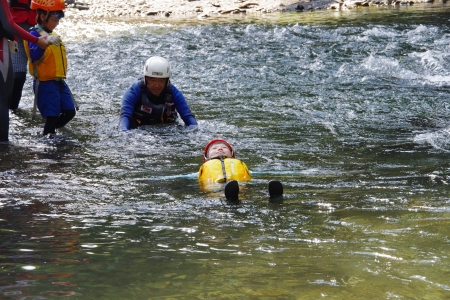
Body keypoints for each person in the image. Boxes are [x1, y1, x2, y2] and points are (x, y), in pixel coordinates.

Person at [24, 0, 77, 137]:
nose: (57, 23)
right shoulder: (34, 35)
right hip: (45, 83)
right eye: (54, 20)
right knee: (52, 117)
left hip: (58, 82)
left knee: (70, 111)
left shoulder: (51, 34)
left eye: (58, 20)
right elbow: (34, 55)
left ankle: (50, 131)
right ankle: (49, 141)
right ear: (43, 17)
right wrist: (45, 43)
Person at [0, 0, 49, 141]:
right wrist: (35, 40)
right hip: (5, 45)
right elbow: (8, 24)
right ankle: (4, 148)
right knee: (3, 98)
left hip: (22, 33)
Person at [119, 56, 198, 132]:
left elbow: (188, 117)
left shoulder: (173, 92)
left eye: (161, 81)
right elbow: (125, 116)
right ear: (146, 79)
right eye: (153, 80)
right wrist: (124, 134)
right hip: (139, 132)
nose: (157, 85)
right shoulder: (134, 90)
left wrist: (195, 130)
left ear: (167, 81)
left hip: (166, 133)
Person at [198, 139, 283, 201]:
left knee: (247, 187)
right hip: (215, 187)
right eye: (214, 148)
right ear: (206, 157)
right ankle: (231, 196)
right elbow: (187, 177)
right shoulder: (204, 168)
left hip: (239, 185)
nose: (220, 149)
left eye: (224, 147)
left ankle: (272, 195)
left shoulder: (237, 163)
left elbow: (257, 174)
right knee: (216, 190)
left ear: (232, 154)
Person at [9, 0, 37, 112]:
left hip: (37, 31)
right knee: (18, 77)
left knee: (47, 76)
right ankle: (12, 108)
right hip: (15, 31)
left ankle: (49, 112)